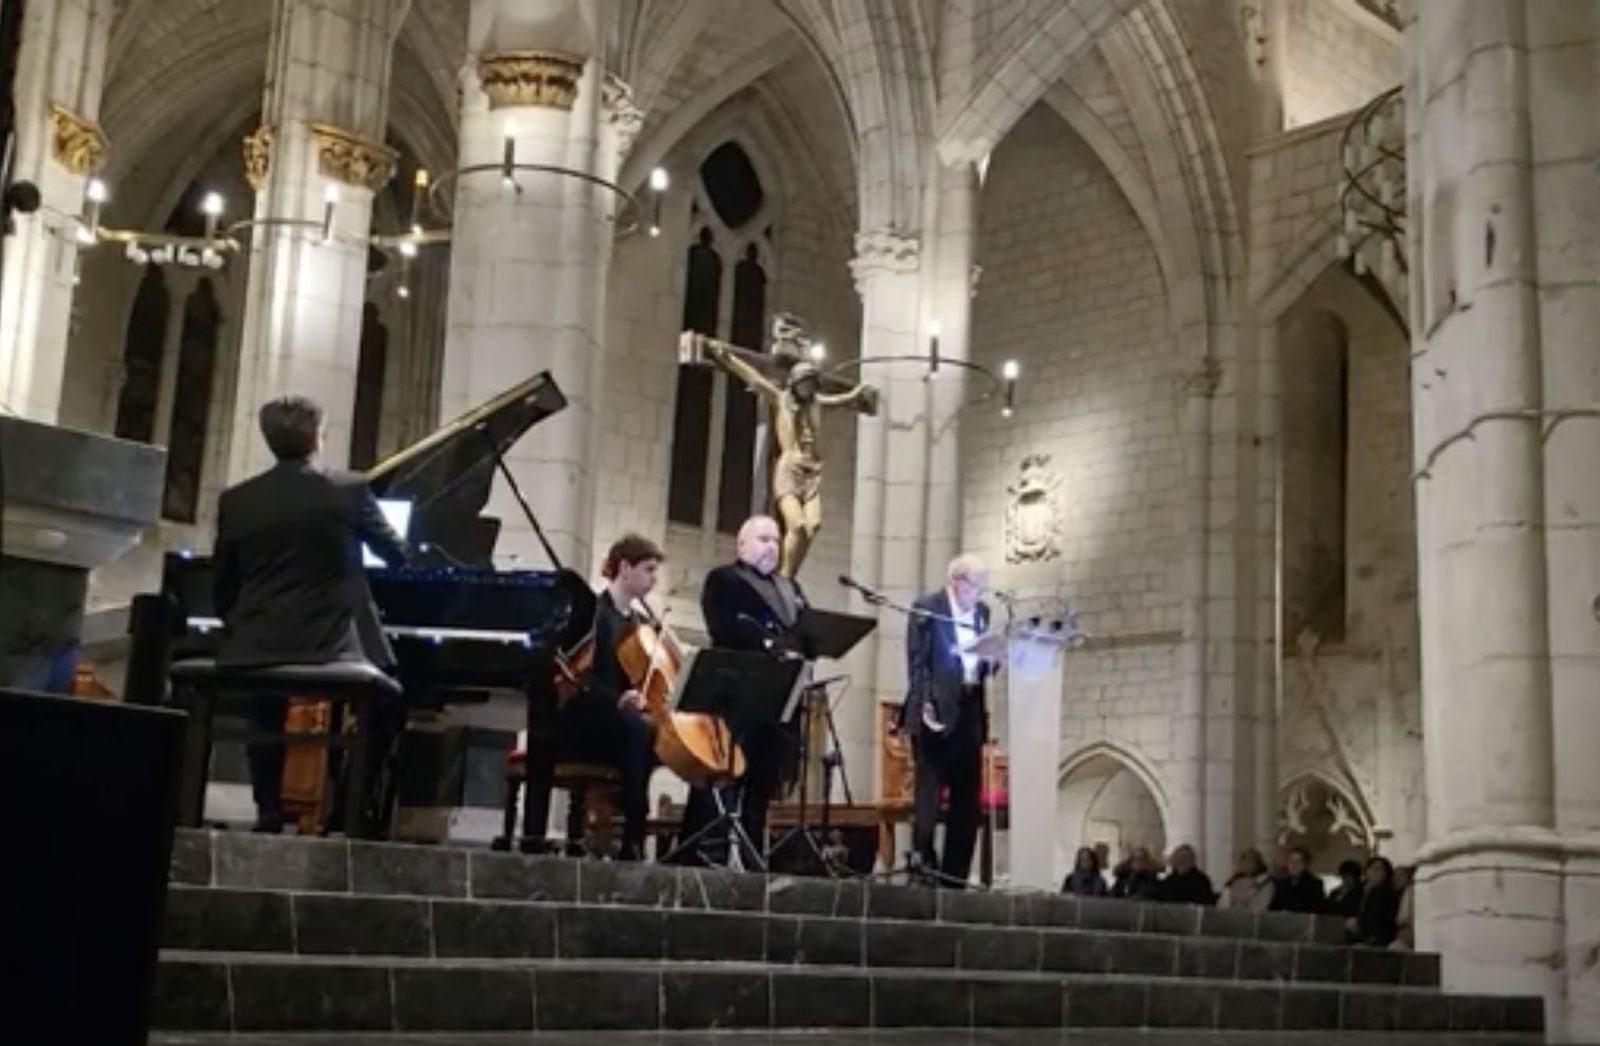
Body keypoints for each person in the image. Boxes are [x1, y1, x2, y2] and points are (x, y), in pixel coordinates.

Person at [213, 394, 409, 834]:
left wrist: (241, 625)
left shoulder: (237, 500)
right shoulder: (347, 490)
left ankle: (268, 810)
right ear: (316, 439)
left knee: (266, 703)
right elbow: (397, 555)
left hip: (256, 642)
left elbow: (224, 585)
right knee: (388, 698)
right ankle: (352, 814)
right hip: (330, 645)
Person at [683, 515, 812, 862]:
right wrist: (769, 643)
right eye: (763, 539)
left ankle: (754, 855)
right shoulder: (724, 580)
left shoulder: (791, 588)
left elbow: (806, 629)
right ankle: (703, 852)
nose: (771, 546)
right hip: (737, 694)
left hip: (781, 699)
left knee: (763, 781)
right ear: (741, 545)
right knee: (721, 776)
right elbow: (722, 626)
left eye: (775, 539)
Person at [559, 534, 661, 860]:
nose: (653, 578)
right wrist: (616, 700)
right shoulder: (594, 615)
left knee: (653, 731)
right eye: (647, 569)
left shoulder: (641, 624)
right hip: (589, 719)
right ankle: (633, 832)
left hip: (623, 720)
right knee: (637, 729)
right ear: (625, 568)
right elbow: (580, 678)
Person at [901, 553, 996, 887]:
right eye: (975, 584)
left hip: (969, 711)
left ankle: (955, 875)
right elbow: (918, 663)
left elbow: (984, 664)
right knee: (928, 794)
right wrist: (926, 703)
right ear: (956, 580)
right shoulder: (927, 608)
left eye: (983, 586)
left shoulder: (983, 613)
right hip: (936, 712)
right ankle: (924, 867)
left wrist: (994, 657)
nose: (979, 593)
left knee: (966, 800)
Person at [1351, 855, 1401, 946]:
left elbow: (1383, 920)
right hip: (1355, 934)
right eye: (1372, 869)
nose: (1375, 872)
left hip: (1377, 938)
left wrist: (1360, 925)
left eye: (1379, 869)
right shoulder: (1358, 890)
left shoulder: (1388, 893)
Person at [1268, 846, 1327, 913]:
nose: (1294, 864)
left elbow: (1315, 909)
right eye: (1291, 861)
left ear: (1305, 864)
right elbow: (1273, 909)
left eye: (1298, 861)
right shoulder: (1283, 885)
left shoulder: (1315, 885)